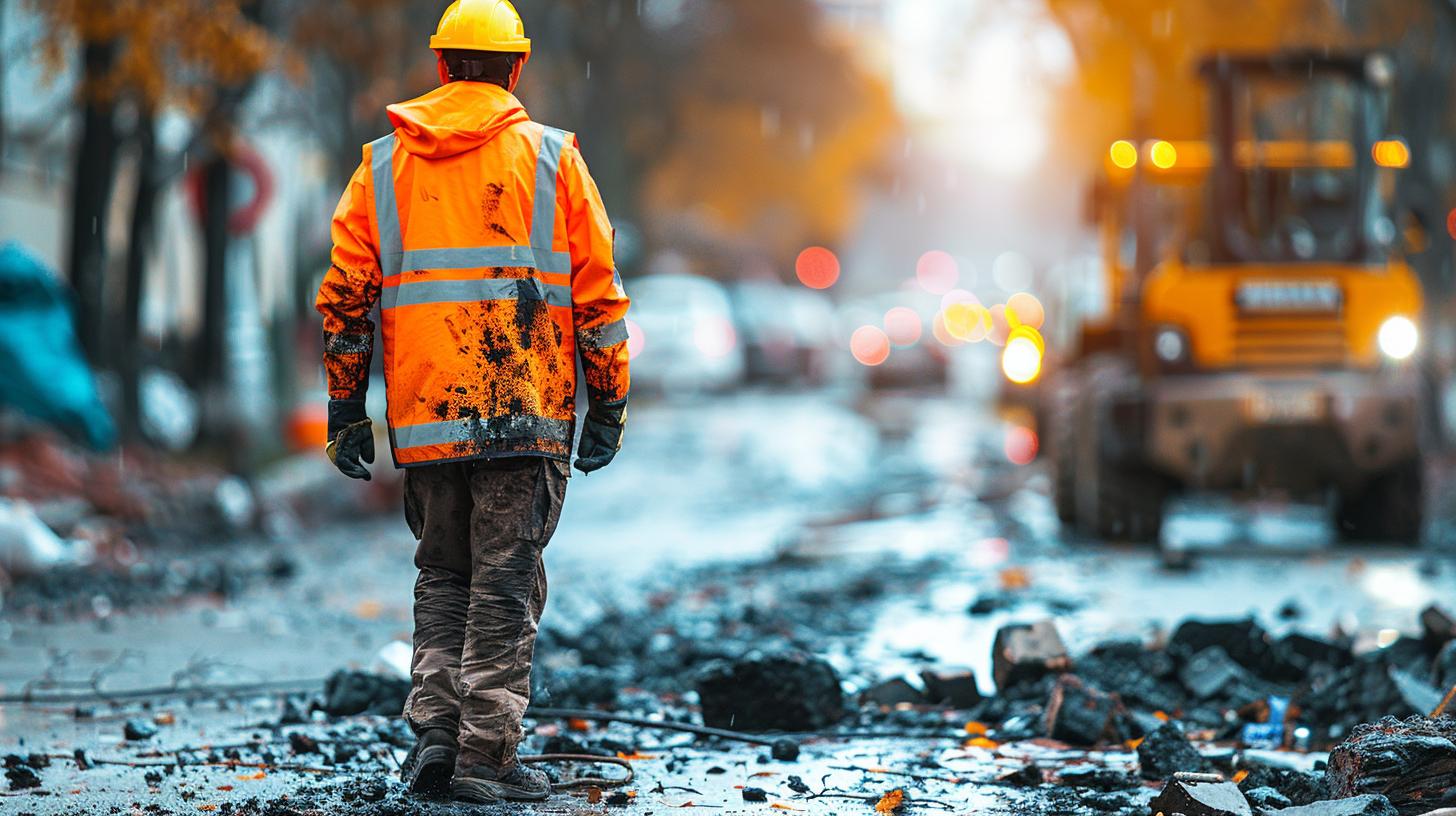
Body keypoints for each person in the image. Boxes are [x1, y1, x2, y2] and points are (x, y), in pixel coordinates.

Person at [314, 0, 630, 802]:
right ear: (516, 68)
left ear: (442, 64)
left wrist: (345, 409)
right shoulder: (555, 160)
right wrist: (610, 404)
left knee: (442, 576)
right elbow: (599, 301)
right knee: (504, 582)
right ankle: (485, 759)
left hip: (428, 420)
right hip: (525, 413)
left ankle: (435, 739)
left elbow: (345, 300)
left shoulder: (382, 166)